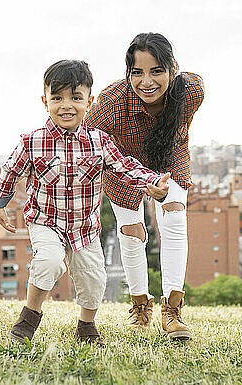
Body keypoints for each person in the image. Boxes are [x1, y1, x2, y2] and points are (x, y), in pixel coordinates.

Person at [0, 60, 170, 346]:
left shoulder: (99, 142)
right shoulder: (32, 142)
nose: (66, 105)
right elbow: (11, 170)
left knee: (94, 277)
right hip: (45, 220)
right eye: (57, 98)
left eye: (75, 97)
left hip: (84, 228)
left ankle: (86, 325)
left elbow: (123, 166)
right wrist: (0, 202)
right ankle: (29, 317)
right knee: (47, 262)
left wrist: (151, 182)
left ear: (89, 101)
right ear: (45, 101)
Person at [84, 33, 204, 340]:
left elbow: (183, 124)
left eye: (156, 71)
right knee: (132, 232)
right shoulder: (109, 105)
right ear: (128, 74)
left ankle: (172, 310)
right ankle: (140, 305)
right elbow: (85, 143)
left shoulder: (191, 91)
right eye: (137, 72)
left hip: (168, 156)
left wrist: (158, 178)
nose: (146, 81)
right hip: (123, 165)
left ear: (172, 69)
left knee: (175, 217)